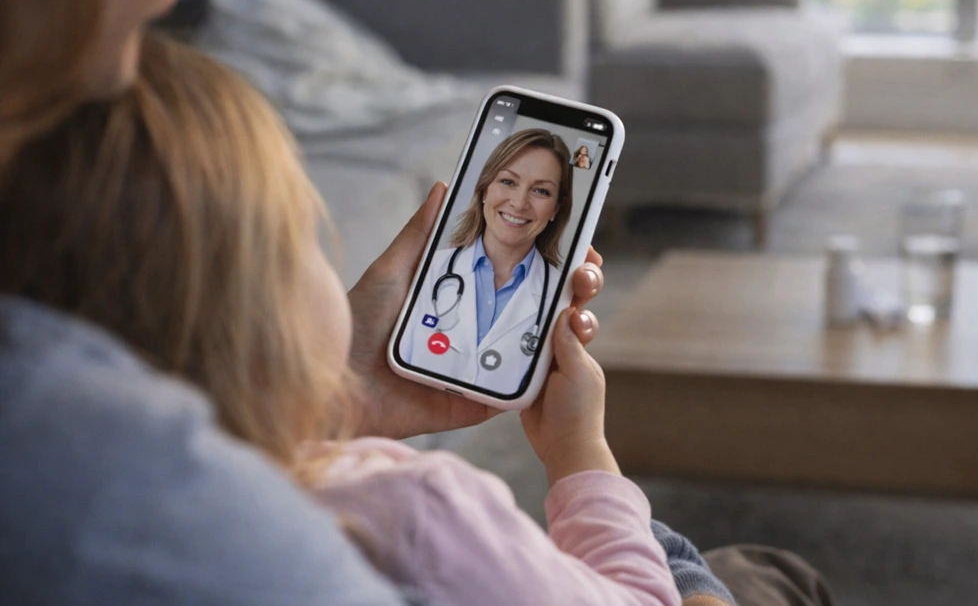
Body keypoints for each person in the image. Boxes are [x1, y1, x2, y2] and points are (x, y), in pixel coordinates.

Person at [4, 33, 681, 606]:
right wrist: (578, 456)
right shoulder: (417, 510)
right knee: (738, 567)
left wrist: (339, 396)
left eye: (542, 192)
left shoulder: (79, 512)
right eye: (304, 233)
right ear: (259, 306)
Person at [400, 129, 572, 394]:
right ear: (484, 190)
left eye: (540, 190)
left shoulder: (563, 296)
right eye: (508, 182)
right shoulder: (427, 269)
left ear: (555, 210)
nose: (519, 202)